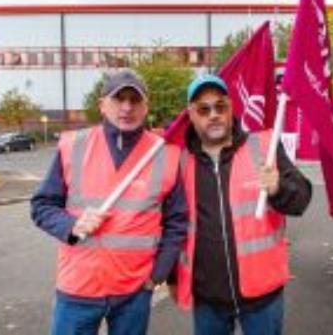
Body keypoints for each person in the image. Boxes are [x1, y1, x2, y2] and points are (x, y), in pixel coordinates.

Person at [31, 69, 188, 335]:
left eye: (134, 100)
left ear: (145, 106)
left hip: (134, 290)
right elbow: (42, 206)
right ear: (102, 105)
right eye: (119, 99)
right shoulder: (74, 145)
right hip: (78, 287)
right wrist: (72, 224)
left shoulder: (166, 154)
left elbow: (178, 222)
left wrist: (159, 273)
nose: (127, 107)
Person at [173, 74, 312, 335]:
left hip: (262, 297)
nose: (213, 114)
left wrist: (278, 188)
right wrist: (171, 276)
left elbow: (302, 198)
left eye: (220, 106)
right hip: (208, 300)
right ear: (191, 114)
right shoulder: (179, 162)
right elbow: (172, 225)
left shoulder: (263, 147)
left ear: (231, 108)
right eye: (204, 109)